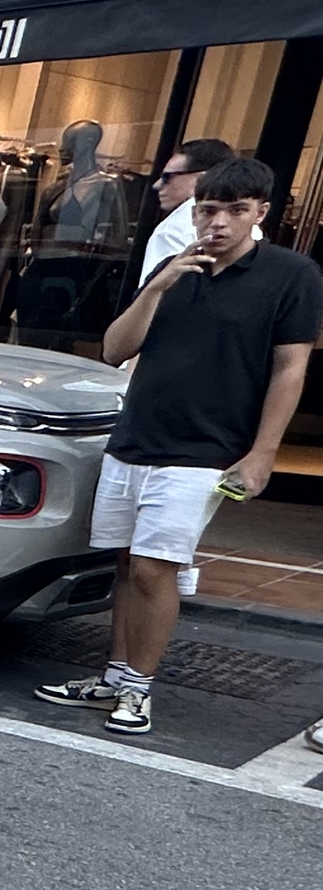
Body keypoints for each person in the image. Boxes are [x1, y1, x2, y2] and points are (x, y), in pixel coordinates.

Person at [36, 157, 322, 738]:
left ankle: (138, 688)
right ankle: (113, 677)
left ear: (260, 214)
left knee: (153, 569)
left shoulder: (292, 276)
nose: (218, 223)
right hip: (137, 436)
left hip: (207, 448)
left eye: (235, 211)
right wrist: (161, 284)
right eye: (209, 210)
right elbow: (115, 349)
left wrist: (264, 452)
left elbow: (291, 368)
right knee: (123, 562)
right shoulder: (172, 267)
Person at [138, 139, 239, 286]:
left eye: (168, 177)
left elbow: (153, 293)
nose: (157, 185)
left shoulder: (172, 230)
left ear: (200, 179)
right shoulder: (248, 225)